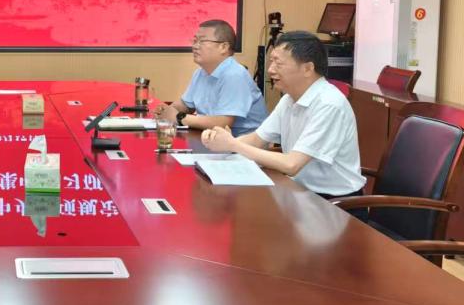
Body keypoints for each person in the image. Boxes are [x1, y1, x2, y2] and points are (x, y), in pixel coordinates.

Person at [201, 30, 364, 198]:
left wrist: (233, 145)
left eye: (278, 63)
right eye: (271, 62)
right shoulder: (289, 98)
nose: (270, 70)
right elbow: (257, 139)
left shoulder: (329, 104)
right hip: (298, 190)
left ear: (308, 68)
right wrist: (222, 141)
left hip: (334, 201)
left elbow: (292, 165)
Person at [155, 19, 267, 135]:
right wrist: (167, 111)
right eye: (195, 41)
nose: (195, 46)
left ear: (223, 47)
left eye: (202, 41)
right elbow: (185, 105)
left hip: (242, 143)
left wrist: (179, 117)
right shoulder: (200, 73)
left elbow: (223, 123)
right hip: (212, 138)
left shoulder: (234, 75)